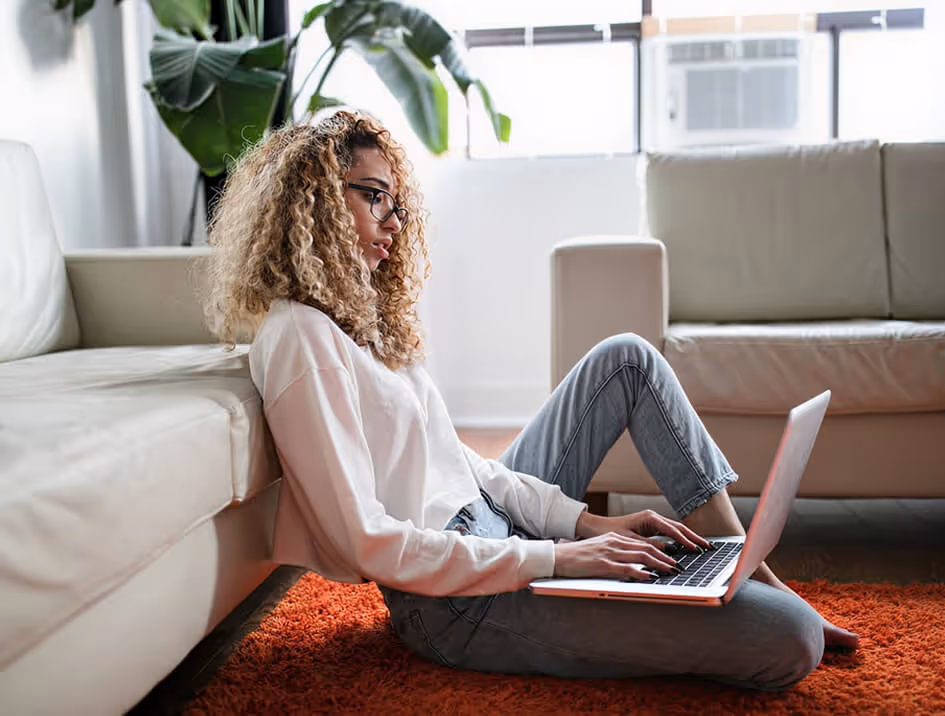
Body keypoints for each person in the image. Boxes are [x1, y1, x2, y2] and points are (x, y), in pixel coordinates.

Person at [202, 110, 858, 692]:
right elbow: (365, 541)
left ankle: (744, 566)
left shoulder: (360, 320)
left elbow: (460, 464)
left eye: (395, 204)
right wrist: (557, 558)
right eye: (374, 197)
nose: (393, 222)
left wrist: (584, 525)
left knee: (627, 358)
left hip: (495, 532)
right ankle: (735, 594)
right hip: (453, 604)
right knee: (791, 638)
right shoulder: (300, 337)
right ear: (314, 199)